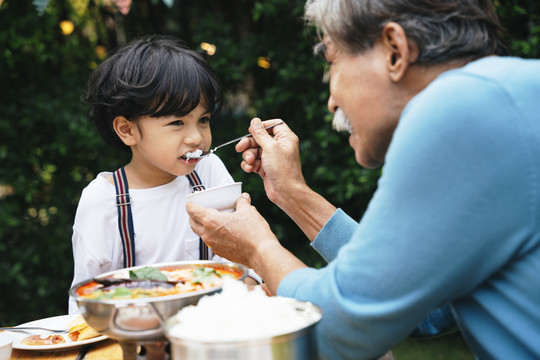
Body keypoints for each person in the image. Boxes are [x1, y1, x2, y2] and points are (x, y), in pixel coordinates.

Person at [186, 0, 540, 359]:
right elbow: (428, 309)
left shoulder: (459, 112)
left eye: (332, 62)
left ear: (394, 50)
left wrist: (257, 248)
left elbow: (341, 329)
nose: (331, 101)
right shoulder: (499, 102)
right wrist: (291, 193)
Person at [68, 35, 258, 313]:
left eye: (203, 120)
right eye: (177, 122)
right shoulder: (103, 200)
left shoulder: (208, 171)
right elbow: (87, 304)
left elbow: (242, 262)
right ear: (127, 130)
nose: (196, 137)